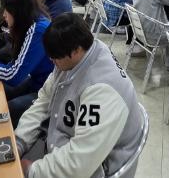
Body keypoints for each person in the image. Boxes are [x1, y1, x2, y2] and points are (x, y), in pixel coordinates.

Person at [15, 14, 145, 178]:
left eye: (55, 58)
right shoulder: (78, 53)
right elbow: (44, 101)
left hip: (94, 169)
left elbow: (80, 162)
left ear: (76, 50)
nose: (53, 62)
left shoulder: (103, 91)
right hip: (62, 143)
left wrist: (33, 171)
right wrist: (19, 141)